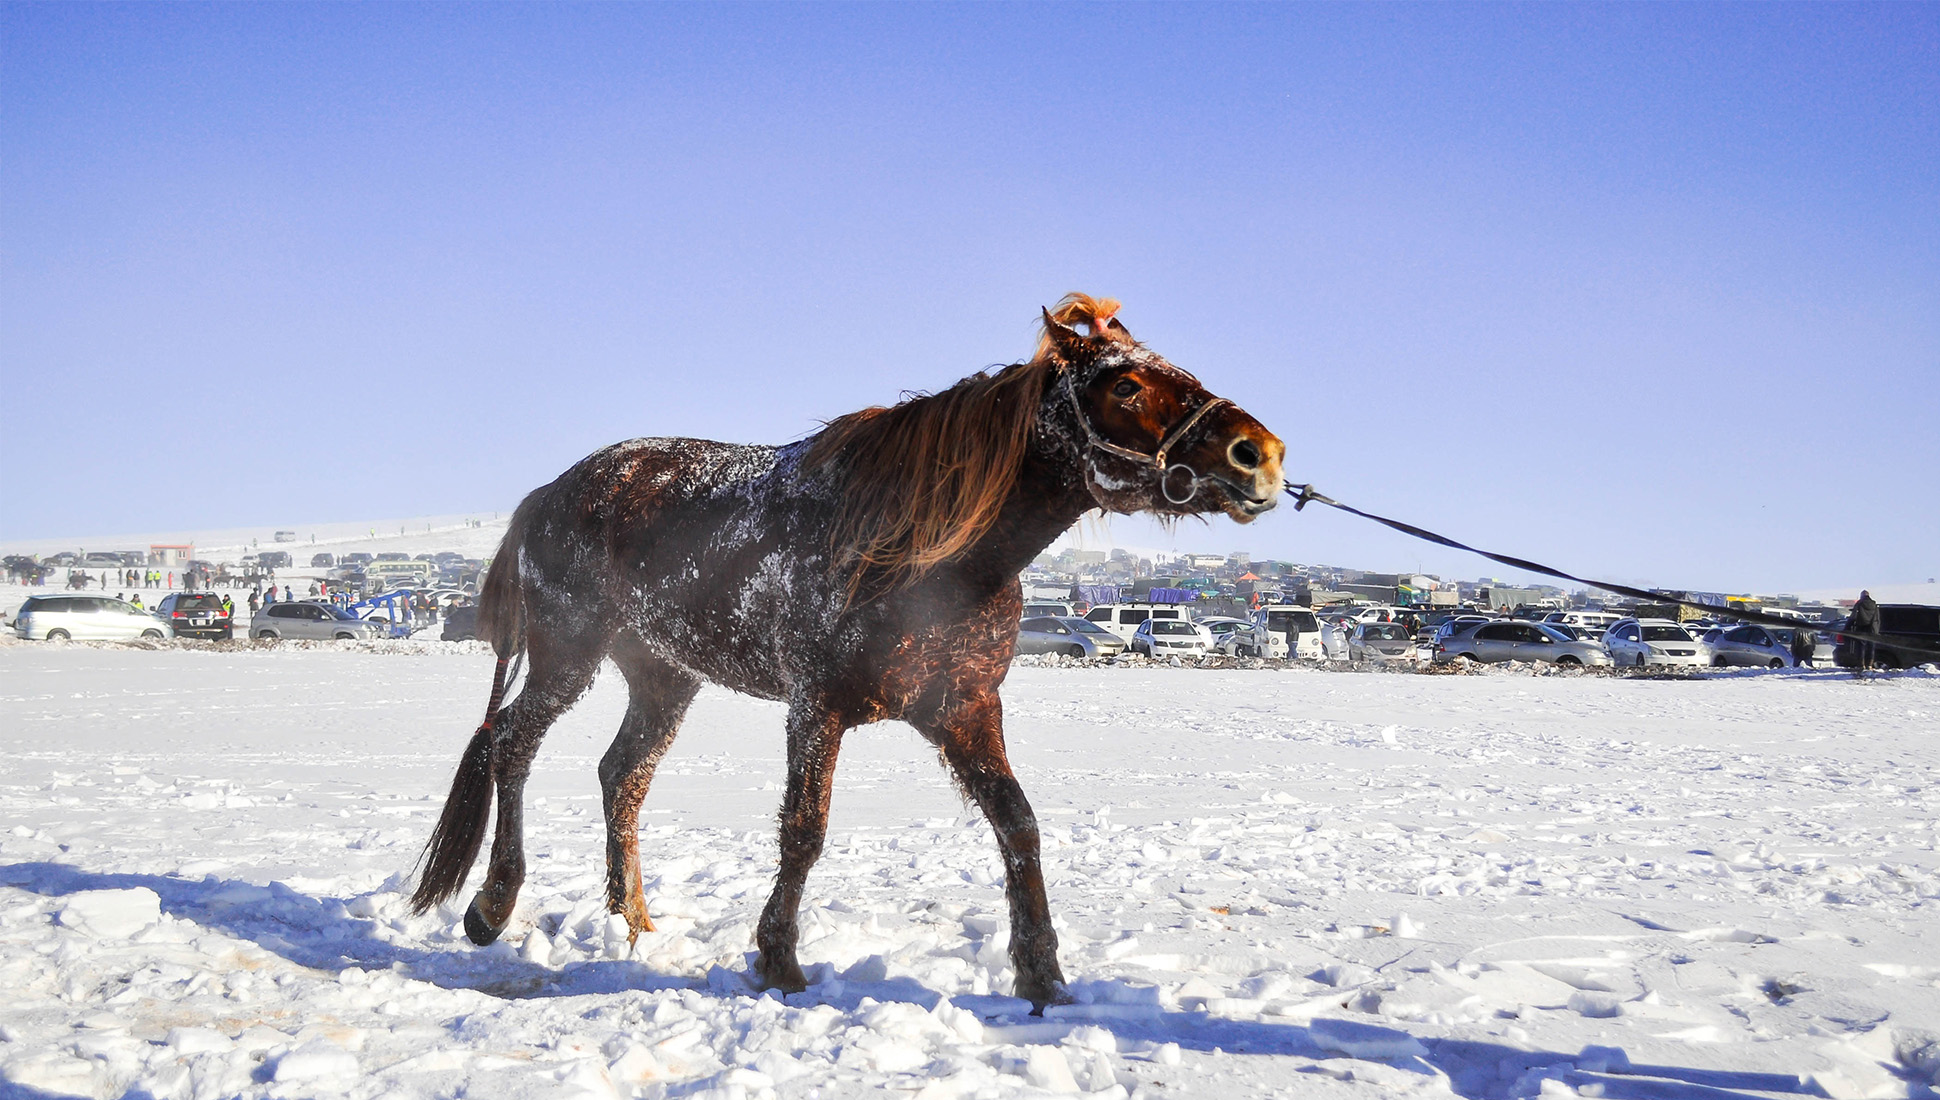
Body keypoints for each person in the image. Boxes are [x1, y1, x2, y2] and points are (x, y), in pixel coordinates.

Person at [1849, 590, 1881, 672]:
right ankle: (1869, 664)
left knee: (1861, 647)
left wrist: (1849, 626)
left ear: (1861, 596)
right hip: (1872, 629)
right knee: (1871, 647)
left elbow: (1854, 616)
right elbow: (1877, 618)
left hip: (1861, 628)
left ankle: (1861, 664)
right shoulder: (1874, 604)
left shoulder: (1859, 603)